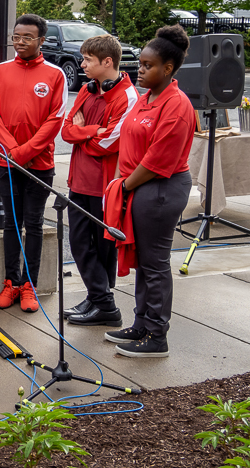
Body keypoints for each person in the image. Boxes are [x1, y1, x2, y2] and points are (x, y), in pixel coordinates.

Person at [104, 25, 195, 358]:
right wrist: (122, 185)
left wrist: (124, 187)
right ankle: (141, 324)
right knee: (144, 261)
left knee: (155, 264)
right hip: (139, 187)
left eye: (147, 65)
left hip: (160, 189)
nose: (139, 70)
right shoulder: (146, 98)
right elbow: (128, 143)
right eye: (139, 64)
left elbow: (159, 160)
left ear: (167, 69)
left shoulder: (177, 105)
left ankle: (157, 336)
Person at [0, 14, 68, 313]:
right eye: (16, 36)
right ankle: (11, 282)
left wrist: (26, 151)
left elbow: (55, 119)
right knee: (11, 223)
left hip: (40, 164)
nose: (19, 42)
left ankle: (29, 285)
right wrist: (12, 149)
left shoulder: (55, 75)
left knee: (33, 224)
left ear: (41, 40)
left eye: (27, 38)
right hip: (6, 164)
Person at [61, 34, 138, 326]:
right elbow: (67, 130)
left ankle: (103, 303)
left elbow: (111, 142)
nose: (82, 65)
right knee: (80, 242)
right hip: (79, 181)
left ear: (107, 62)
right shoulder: (86, 88)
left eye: (88, 60)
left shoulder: (127, 97)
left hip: (106, 185)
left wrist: (86, 132)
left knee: (101, 247)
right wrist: (94, 131)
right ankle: (100, 298)